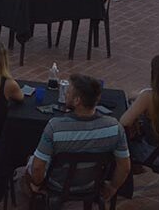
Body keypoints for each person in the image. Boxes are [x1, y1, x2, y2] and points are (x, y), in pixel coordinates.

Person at [24, 74, 130, 202]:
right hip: (92, 185)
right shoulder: (115, 128)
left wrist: (37, 183)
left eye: (68, 92)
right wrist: (113, 187)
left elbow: (37, 167)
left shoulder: (55, 127)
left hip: (56, 185)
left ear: (77, 100)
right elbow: (124, 167)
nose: (65, 95)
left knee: (26, 174)